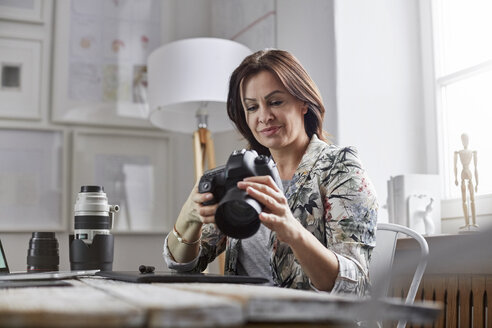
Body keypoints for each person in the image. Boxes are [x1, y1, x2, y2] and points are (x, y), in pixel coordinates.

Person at [163, 49, 378, 295]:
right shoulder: (242, 172)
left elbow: (354, 286)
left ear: (304, 103)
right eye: (252, 107)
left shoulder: (341, 168)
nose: (264, 116)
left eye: (275, 102)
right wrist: (188, 218)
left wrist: (292, 230)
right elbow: (183, 269)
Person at [454, 133, 479, 232]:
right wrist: (455, 178)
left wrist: (477, 183)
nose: (465, 141)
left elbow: (476, 167)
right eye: (463, 139)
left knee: (472, 199)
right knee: (464, 200)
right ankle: (466, 222)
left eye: (466, 139)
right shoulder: (458, 152)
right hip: (463, 175)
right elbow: (455, 166)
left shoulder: (472, 152)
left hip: (469, 174)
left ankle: (474, 221)